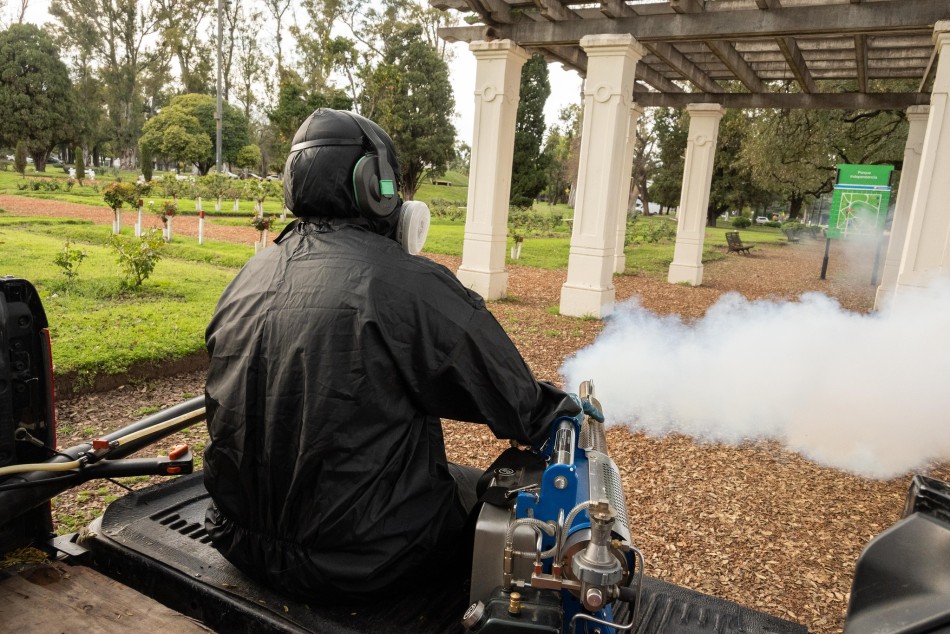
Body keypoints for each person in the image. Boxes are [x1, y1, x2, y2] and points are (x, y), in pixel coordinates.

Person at [202, 108, 577, 602]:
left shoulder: (249, 276)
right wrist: (559, 411)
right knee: (493, 501)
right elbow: (512, 400)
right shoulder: (409, 283)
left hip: (236, 537)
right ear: (373, 186)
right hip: (364, 561)